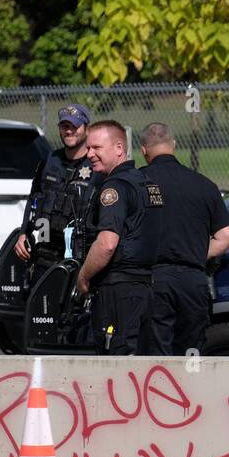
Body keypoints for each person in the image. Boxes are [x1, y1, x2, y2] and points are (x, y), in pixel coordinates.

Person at [139, 122, 229, 355]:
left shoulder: (136, 183)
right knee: (191, 356)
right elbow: (227, 237)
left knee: (155, 357)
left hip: (152, 280)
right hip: (193, 282)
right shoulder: (204, 185)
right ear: (174, 144)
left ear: (143, 150)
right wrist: (193, 252)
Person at [77, 120, 160, 355]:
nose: (89, 154)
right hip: (146, 288)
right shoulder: (146, 183)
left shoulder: (114, 187)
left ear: (119, 149)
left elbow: (107, 243)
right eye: (88, 148)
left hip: (118, 291)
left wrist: (83, 277)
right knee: (140, 366)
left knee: (115, 362)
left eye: (96, 148)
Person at [15, 103, 100, 270]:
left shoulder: (96, 165)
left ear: (86, 129)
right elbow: (34, 198)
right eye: (64, 126)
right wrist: (23, 233)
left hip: (79, 256)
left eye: (75, 126)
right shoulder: (49, 161)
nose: (69, 131)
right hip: (45, 250)